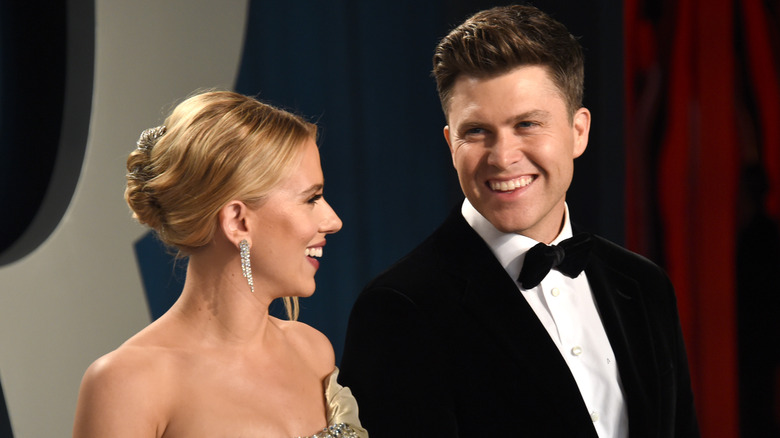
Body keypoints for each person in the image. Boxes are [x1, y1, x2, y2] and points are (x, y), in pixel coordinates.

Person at [339, 5, 699, 437]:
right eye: (476, 132)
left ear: (578, 132)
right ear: (450, 142)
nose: (503, 157)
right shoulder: (399, 308)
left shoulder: (643, 286)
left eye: (527, 124)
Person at [73, 91, 368, 438]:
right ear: (238, 221)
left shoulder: (312, 351)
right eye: (311, 199)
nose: (333, 220)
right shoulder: (128, 384)